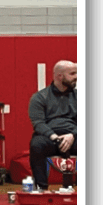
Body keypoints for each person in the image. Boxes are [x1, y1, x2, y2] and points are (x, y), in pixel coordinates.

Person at [28, 60, 77, 191]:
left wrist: (72, 135)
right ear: (60, 76)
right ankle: (41, 188)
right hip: (50, 138)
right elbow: (38, 123)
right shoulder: (39, 97)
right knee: (36, 145)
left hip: (73, 136)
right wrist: (55, 137)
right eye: (72, 73)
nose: (76, 77)